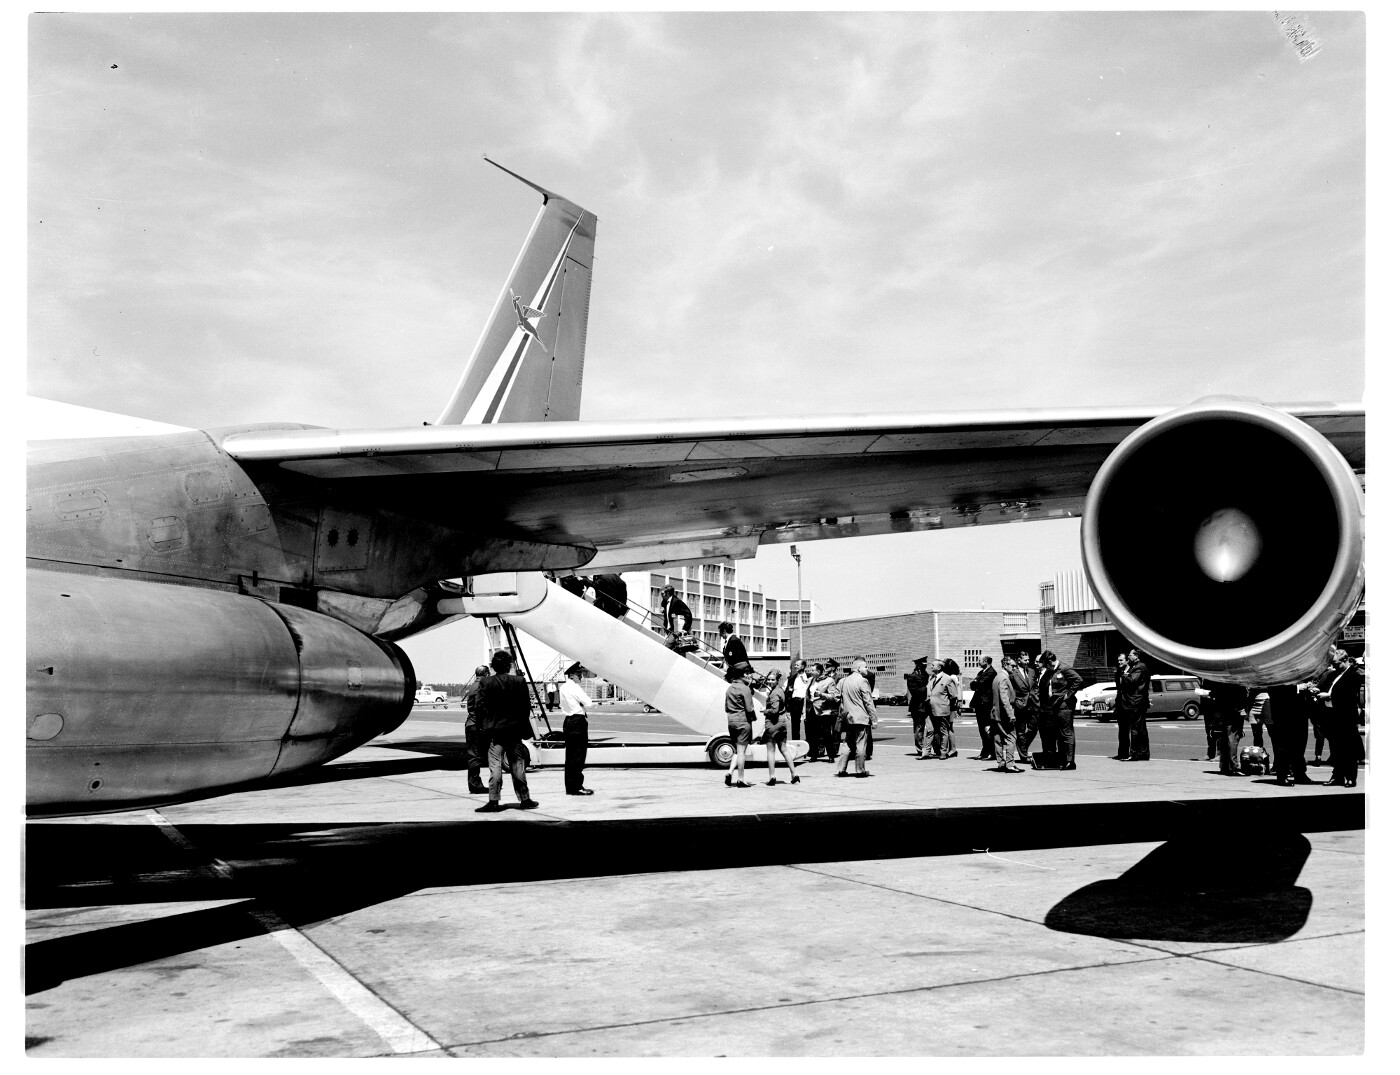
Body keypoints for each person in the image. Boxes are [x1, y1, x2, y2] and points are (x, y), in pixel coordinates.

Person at [474, 649, 539, 812]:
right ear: (509, 665)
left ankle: (494, 801)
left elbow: (479, 707)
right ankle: (525, 799)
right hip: (514, 731)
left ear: (494, 666)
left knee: (495, 766)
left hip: (495, 732)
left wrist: (484, 726)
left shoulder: (486, 683)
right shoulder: (519, 681)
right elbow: (526, 707)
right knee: (518, 766)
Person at [1317, 649, 1363, 787]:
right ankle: (1337, 776)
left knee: (1348, 749)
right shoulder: (1333, 675)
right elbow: (1328, 688)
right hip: (1333, 716)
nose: (1335, 666)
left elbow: (1348, 696)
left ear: (1345, 660)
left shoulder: (1354, 675)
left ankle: (1350, 777)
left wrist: (1329, 696)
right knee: (1336, 749)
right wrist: (1319, 691)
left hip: (1346, 717)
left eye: (1337, 663)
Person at [1038, 650, 1082, 769]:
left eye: (1046, 664)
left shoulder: (1064, 669)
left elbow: (1078, 680)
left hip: (1064, 707)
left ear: (1050, 662)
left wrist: (1069, 694)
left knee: (1067, 733)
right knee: (1059, 734)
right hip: (1054, 706)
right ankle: (1062, 758)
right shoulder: (1051, 671)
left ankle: (1070, 761)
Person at [835, 657, 877, 777]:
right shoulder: (863, 681)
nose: (867, 669)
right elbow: (868, 701)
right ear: (859, 668)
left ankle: (841, 769)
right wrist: (874, 719)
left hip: (848, 717)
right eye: (865, 667)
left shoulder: (843, 681)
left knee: (847, 743)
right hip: (861, 717)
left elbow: (836, 697)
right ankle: (860, 770)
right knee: (860, 744)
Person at [558, 662, 594, 795]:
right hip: (578, 721)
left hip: (568, 721)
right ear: (572, 676)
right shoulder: (575, 688)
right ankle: (577, 786)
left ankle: (570, 786)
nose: (581, 678)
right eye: (579, 675)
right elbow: (588, 703)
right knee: (578, 756)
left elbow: (562, 705)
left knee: (570, 756)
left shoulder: (562, 688)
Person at [760, 671, 800, 785]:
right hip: (782, 723)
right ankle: (794, 773)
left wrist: (765, 711)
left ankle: (772, 776)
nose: (770, 681)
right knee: (784, 749)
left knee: (771, 751)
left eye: (773, 679)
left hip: (773, 724)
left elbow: (774, 710)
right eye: (769, 679)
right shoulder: (781, 690)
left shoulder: (774, 693)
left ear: (777, 680)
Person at [1204, 679, 1249, 776]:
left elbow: (1214, 694)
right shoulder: (1236, 681)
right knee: (1232, 738)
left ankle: (1224, 766)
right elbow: (1242, 695)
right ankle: (1233, 766)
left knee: (1224, 738)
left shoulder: (1220, 682)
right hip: (1234, 711)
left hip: (1222, 711)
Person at [723, 666, 758, 788]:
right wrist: (754, 717)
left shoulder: (729, 689)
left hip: (731, 721)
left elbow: (726, 707)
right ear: (742, 675)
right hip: (743, 721)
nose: (749, 676)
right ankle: (741, 779)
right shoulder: (745, 689)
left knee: (738, 750)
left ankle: (730, 772)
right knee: (742, 751)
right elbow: (749, 708)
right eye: (747, 674)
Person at [921, 658, 961, 760]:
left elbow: (953, 696)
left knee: (944, 731)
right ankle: (926, 752)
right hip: (930, 709)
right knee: (929, 730)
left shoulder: (948, 679)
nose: (930, 667)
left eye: (933, 665)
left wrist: (946, 705)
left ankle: (943, 752)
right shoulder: (931, 678)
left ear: (939, 667)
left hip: (942, 709)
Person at [1115, 649, 1151, 761]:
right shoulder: (1136, 667)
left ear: (1136, 656)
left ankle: (1134, 753)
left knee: (1136, 729)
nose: (1129, 657)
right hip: (1133, 702)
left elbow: (1132, 681)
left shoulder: (1139, 667)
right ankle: (1142, 753)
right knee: (1140, 729)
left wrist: (1125, 674)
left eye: (1130, 655)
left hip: (1135, 702)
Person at [989, 657, 1024, 772]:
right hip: (1004, 714)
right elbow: (1004, 699)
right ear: (1005, 665)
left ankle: (1001, 763)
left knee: (998, 738)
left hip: (996, 713)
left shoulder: (997, 677)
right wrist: (1010, 714)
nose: (1014, 668)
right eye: (1012, 666)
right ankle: (1010, 764)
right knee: (1011, 737)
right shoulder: (1004, 678)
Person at [461, 664, 491, 794]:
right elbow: (480, 707)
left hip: (471, 723)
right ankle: (475, 785)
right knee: (475, 756)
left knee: (474, 755)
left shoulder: (474, 685)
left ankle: (474, 784)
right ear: (486, 674)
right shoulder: (481, 686)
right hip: (476, 724)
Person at [807, 660, 841, 762]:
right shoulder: (811, 680)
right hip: (812, 709)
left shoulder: (829, 681)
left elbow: (834, 697)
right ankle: (813, 754)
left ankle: (831, 755)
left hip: (824, 711)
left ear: (819, 671)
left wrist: (821, 695)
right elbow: (807, 694)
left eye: (813, 670)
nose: (810, 671)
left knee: (826, 733)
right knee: (813, 733)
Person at [1005, 654, 1037, 763]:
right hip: (1020, 706)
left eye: (1028, 659)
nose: (1027, 662)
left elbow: (1035, 686)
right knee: (1021, 730)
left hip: (1032, 704)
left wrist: (1036, 696)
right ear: (1019, 660)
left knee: (1033, 728)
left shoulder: (1032, 671)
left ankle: (1022, 745)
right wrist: (1015, 702)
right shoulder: (1013, 673)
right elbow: (1011, 689)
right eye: (1025, 660)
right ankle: (1023, 755)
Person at [904, 656, 932, 757]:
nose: (925, 666)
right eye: (923, 665)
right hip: (918, 705)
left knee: (930, 728)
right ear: (918, 665)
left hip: (927, 704)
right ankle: (920, 748)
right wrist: (928, 688)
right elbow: (915, 692)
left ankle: (928, 748)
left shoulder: (926, 674)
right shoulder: (912, 676)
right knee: (919, 728)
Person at [971, 656, 997, 760]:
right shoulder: (981, 673)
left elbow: (981, 683)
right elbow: (973, 685)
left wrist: (977, 682)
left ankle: (991, 751)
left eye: (980, 660)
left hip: (986, 704)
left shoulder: (991, 672)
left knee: (988, 729)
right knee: (982, 729)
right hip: (979, 704)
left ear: (986, 661)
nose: (978, 662)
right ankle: (984, 751)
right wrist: (977, 682)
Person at [658, 585, 695, 652]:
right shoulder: (666, 603)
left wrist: (684, 629)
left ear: (668, 593)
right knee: (678, 650)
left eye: (662, 593)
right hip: (670, 631)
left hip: (676, 632)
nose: (661, 595)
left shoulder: (676, 602)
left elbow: (688, 614)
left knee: (666, 649)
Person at [786, 659, 810, 741]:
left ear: (803, 666)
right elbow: (788, 694)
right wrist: (788, 709)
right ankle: (796, 743)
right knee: (795, 725)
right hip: (795, 702)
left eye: (797, 665)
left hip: (806, 702)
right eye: (795, 665)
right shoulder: (792, 678)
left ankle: (810, 745)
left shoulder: (810, 677)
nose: (795, 666)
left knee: (808, 724)